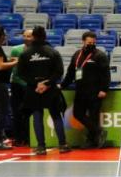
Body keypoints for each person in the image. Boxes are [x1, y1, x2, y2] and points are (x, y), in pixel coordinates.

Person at [17, 26, 69, 155]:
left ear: (33, 37)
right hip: (50, 89)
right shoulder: (53, 52)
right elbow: (59, 72)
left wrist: (36, 83)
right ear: (45, 36)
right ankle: (62, 145)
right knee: (56, 116)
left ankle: (41, 147)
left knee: (37, 117)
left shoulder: (25, 53)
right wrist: (46, 83)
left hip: (33, 89)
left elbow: (21, 73)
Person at [61, 31, 110, 149]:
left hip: (95, 91)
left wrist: (104, 89)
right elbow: (71, 72)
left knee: (93, 116)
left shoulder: (100, 55)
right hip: (80, 91)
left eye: (93, 42)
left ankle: (92, 141)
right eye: (89, 42)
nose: (91, 44)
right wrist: (63, 85)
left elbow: (105, 74)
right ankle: (99, 131)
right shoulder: (77, 54)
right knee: (77, 114)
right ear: (83, 42)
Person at [9, 28, 33, 148]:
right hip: (17, 84)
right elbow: (13, 68)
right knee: (17, 112)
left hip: (31, 85)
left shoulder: (37, 51)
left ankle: (30, 137)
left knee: (30, 113)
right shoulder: (15, 49)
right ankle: (18, 138)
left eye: (29, 36)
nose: (26, 38)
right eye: (24, 36)